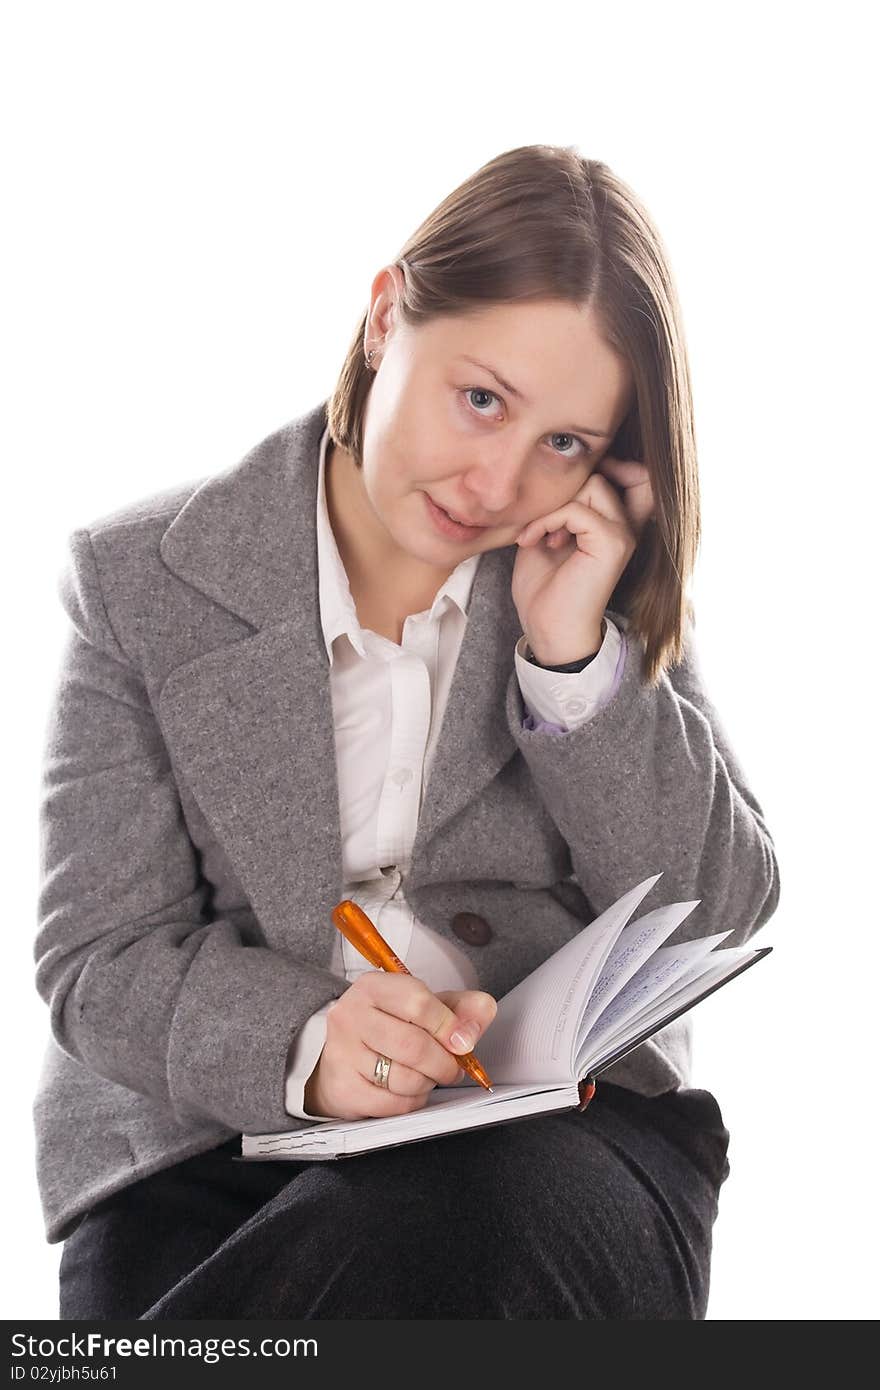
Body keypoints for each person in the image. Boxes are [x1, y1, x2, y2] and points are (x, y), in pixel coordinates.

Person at [34, 143, 780, 1320]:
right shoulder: (142, 581)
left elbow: (721, 907)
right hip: (206, 1151)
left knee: (451, 1224)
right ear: (386, 320)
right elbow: (97, 961)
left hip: (554, 1144)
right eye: (480, 399)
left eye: (564, 444)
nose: (496, 483)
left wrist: (573, 663)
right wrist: (304, 1042)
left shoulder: (586, 579)